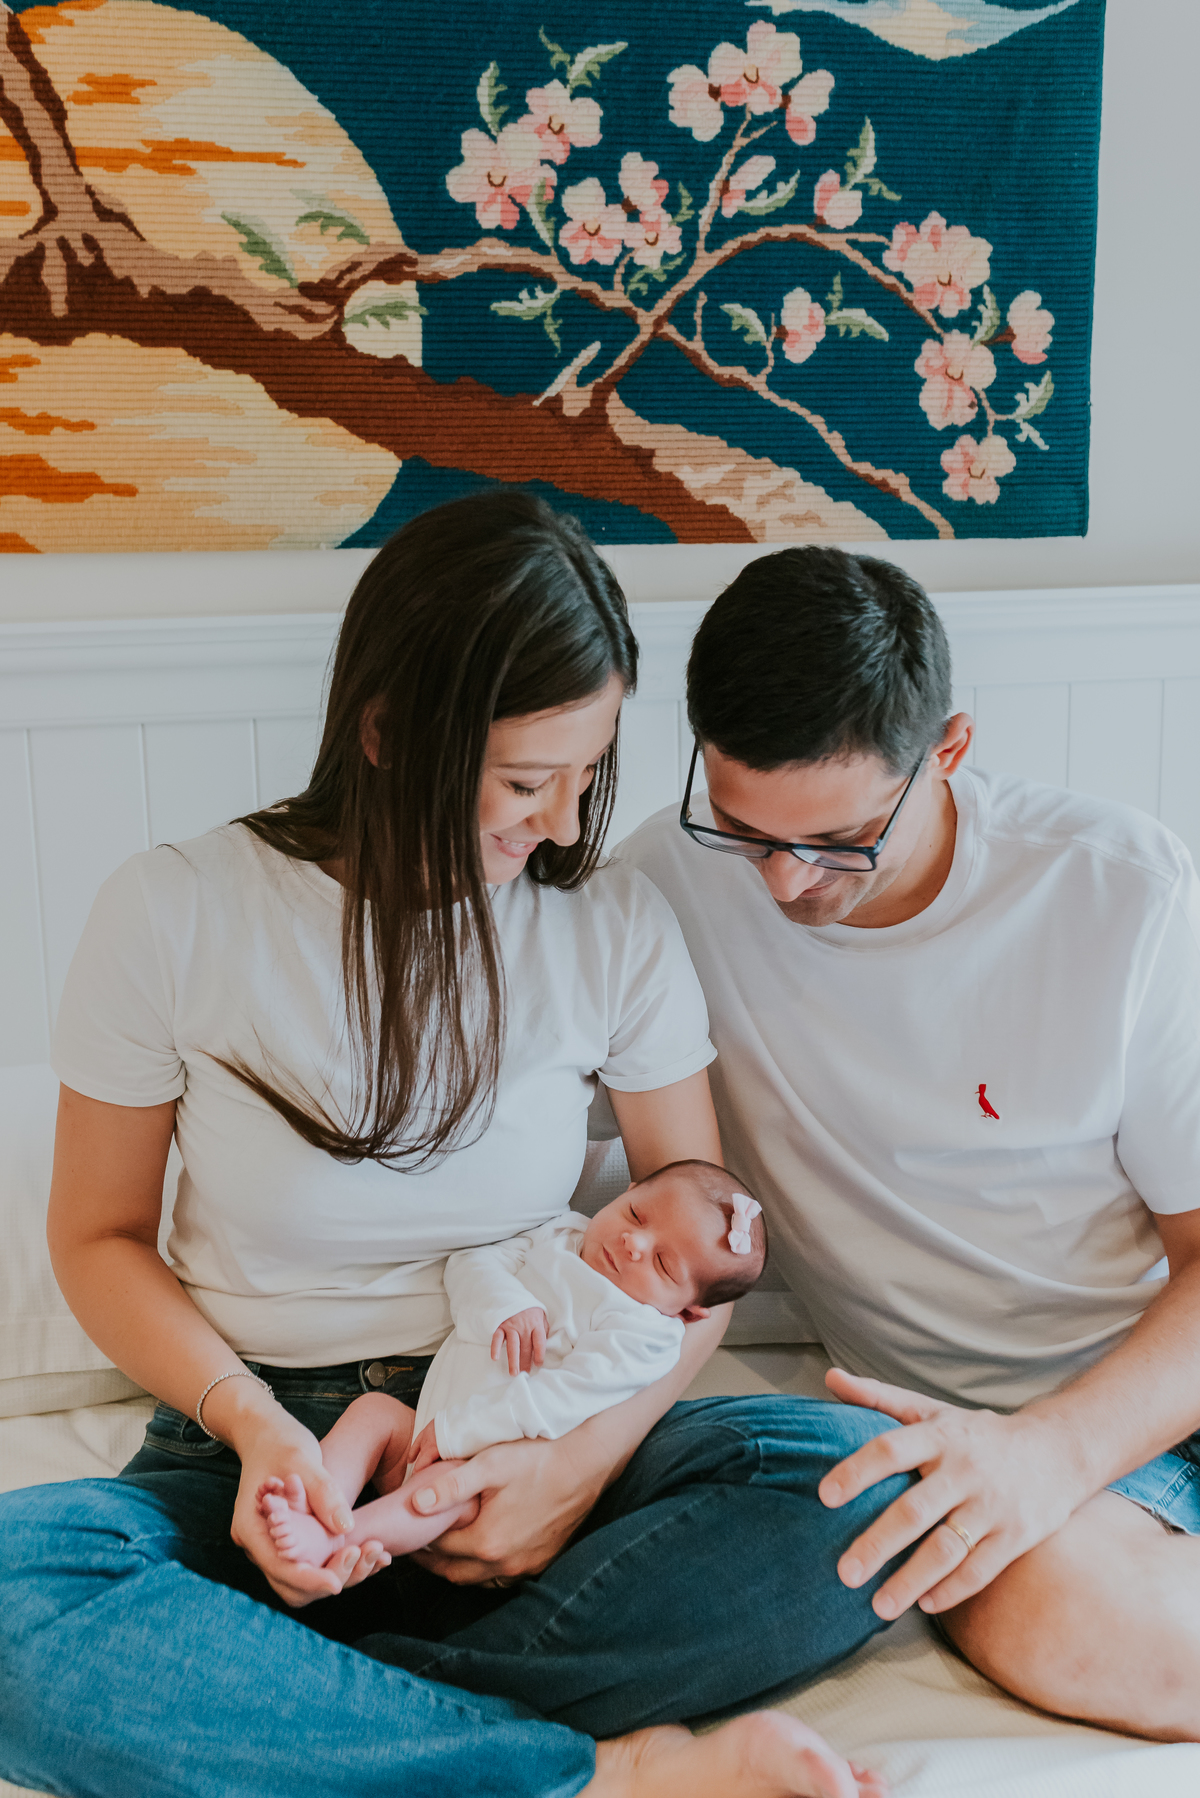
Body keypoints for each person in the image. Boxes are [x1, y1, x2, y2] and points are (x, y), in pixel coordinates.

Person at [0, 496, 907, 1798]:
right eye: (528, 781)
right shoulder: (176, 912)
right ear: (388, 732)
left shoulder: (614, 928)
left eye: (589, 771)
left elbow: (695, 1261)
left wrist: (568, 1468)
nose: (562, 819)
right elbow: (95, 1237)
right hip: (262, 1437)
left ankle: (290, 1703)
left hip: (539, 1413)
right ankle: (585, 1770)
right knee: (16, 1590)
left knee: (852, 1487)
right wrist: (259, 1432)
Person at [618, 544, 1200, 1744]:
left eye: (838, 838)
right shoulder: (660, 894)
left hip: (1145, 1381)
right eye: (743, 827)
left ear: (948, 749)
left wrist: (1049, 1453)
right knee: (1037, 1607)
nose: (782, 881)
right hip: (993, 1447)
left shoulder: (1117, 894)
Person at [259, 1162, 768, 1570]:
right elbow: (472, 1264)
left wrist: (461, 1431)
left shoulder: (645, 1333)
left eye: (662, 1263)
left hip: (490, 1473)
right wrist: (504, 1302)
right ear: (628, 1189)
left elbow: (557, 1399)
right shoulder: (562, 1232)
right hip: (421, 1431)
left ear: (689, 1311)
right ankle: (316, 1502)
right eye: (636, 1215)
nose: (634, 1244)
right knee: (372, 1413)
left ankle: (336, 1543)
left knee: (442, 1490)